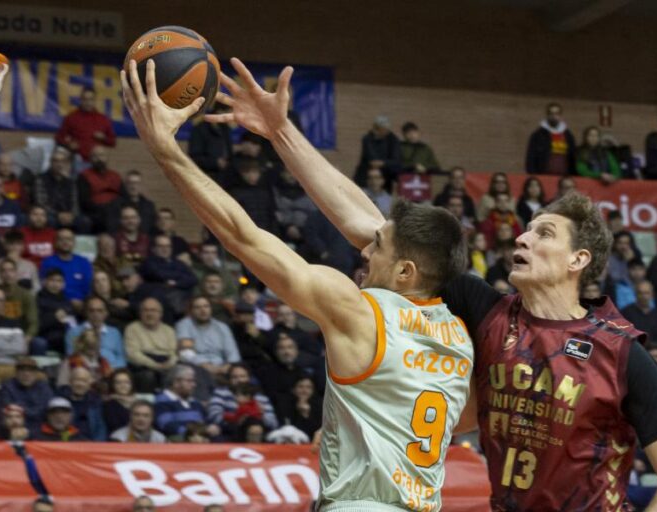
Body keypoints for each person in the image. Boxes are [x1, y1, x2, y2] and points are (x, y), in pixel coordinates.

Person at [206, 61, 657, 510]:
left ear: (578, 260)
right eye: (526, 227)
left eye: (543, 233)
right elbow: (376, 230)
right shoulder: (487, 310)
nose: (523, 236)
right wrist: (280, 131)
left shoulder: (621, 352)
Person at [126, 61, 481, 510]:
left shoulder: (360, 311)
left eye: (378, 247)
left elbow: (243, 236)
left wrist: (165, 150)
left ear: (406, 272)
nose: (365, 252)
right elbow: (462, 418)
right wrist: (362, 422)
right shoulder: (460, 339)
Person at [175, 296, 241, 379]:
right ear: (191, 311)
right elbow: (186, 353)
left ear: (211, 309)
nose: (203, 310)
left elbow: (233, 353)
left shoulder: (222, 327)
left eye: (206, 306)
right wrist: (206, 366)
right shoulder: (184, 325)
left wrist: (226, 367)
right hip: (196, 367)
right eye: (197, 307)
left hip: (222, 368)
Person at [124, 297, 177, 392]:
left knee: (182, 373)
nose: (149, 314)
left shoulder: (169, 331)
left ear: (161, 314)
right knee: (148, 376)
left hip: (166, 363)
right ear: (140, 313)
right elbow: (133, 354)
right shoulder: (132, 328)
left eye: (153, 310)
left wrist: (169, 364)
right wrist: (155, 366)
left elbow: (174, 353)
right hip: (143, 366)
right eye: (145, 310)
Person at [208, 363, 278, 435]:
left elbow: (273, 423)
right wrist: (236, 420)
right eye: (234, 377)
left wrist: (262, 415)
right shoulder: (221, 393)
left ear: (249, 378)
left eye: (242, 376)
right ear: (229, 379)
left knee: (255, 429)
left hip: (257, 428)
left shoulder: (261, 398)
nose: (239, 380)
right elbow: (214, 415)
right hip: (229, 429)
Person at [152, 364, 217, 439]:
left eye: (193, 381)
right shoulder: (162, 401)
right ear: (176, 382)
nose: (194, 385)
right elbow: (166, 425)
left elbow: (207, 420)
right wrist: (192, 434)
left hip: (200, 440)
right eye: (189, 381)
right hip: (177, 443)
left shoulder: (195, 403)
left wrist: (213, 427)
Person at [32, 148, 89, 232]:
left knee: (85, 222)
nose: (59, 164)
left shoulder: (71, 182)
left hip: (69, 215)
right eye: (56, 161)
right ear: (51, 163)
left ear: (66, 163)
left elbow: (75, 203)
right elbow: (41, 203)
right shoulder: (41, 179)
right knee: (50, 221)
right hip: (51, 214)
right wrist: (58, 215)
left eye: (62, 161)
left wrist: (72, 215)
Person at [40, 229, 94, 311]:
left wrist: (84, 303)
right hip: (56, 304)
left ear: (74, 242)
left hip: (82, 306)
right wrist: (69, 300)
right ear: (56, 243)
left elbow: (88, 288)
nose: (65, 242)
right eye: (61, 239)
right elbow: (46, 288)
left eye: (69, 239)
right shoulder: (48, 262)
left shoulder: (84, 262)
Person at [64, 297, 126, 369]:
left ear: (106, 313)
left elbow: (121, 359)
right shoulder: (74, 332)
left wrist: (109, 370)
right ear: (86, 313)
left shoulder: (114, 332)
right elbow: (72, 358)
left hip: (112, 372)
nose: (95, 314)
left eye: (100, 311)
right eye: (91, 311)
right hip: (85, 372)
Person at [56, 87, 116, 161]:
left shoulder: (103, 119)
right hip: (77, 160)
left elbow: (112, 142)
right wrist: (69, 144)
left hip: (96, 162)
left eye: (91, 99)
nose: (88, 103)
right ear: (81, 100)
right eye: (85, 99)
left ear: (95, 101)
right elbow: (59, 138)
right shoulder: (71, 118)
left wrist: (103, 138)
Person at [0, 357, 54, 434]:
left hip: (40, 430)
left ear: (36, 373)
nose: (26, 374)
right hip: (13, 428)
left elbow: (46, 411)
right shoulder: (7, 386)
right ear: (16, 373)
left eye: (30, 370)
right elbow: (8, 409)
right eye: (22, 370)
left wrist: (20, 408)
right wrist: (32, 411)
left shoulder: (44, 388)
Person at [78, 144, 122, 231]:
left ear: (106, 157)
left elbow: (123, 197)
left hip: (116, 211)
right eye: (95, 156)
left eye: (101, 155)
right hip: (96, 213)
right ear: (91, 159)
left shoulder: (115, 176)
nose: (99, 159)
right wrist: (104, 208)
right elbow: (84, 201)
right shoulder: (84, 176)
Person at [56, 366, 106, 441]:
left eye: (84, 381)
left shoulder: (95, 402)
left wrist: (97, 447)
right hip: (66, 445)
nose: (80, 384)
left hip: (91, 446)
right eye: (77, 380)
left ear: (89, 384)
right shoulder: (60, 401)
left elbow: (100, 429)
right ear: (70, 381)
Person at [525, 102, 575, 175]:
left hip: (564, 177)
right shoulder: (538, 135)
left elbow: (573, 156)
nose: (554, 116)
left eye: (556, 113)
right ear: (547, 115)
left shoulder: (568, 135)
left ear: (560, 115)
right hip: (544, 175)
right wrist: (533, 174)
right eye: (551, 113)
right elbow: (531, 156)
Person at [353, 115, 401, 186]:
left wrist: (383, 163)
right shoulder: (367, 139)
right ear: (376, 128)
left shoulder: (393, 139)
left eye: (386, 129)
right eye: (382, 128)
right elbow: (371, 159)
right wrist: (379, 163)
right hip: (366, 174)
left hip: (386, 174)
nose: (385, 131)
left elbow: (396, 160)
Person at [109, 170, 158, 234]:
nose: (133, 187)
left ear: (141, 185)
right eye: (130, 183)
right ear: (126, 185)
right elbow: (112, 227)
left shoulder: (149, 206)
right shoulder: (115, 205)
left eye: (137, 183)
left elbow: (153, 229)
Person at [621, 281, 657, 346]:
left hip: (655, 351)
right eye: (640, 293)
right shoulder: (625, 313)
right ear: (635, 294)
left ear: (652, 295)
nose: (643, 296)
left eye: (647, 293)